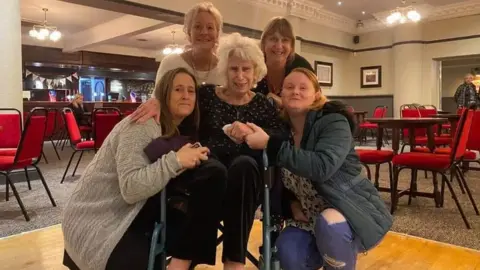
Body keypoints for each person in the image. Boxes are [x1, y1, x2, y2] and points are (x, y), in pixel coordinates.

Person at [129, 32, 286, 270]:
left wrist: (253, 133)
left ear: (256, 72)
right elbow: (178, 116)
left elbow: (280, 137)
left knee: (244, 164)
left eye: (246, 69)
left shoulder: (263, 105)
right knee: (213, 169)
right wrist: (157, 102)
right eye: (234, 69)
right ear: (225, 69)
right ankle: (183, 259)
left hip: (245, 186)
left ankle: (234, 261)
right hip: (204, 176)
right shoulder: (206, 96)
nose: (240, 76)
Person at [61, 68, 227, 270]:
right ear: (164, 94)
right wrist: (176, 161)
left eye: (191, 91)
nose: (185, 95)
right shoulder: (143, 123)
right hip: (97, 218)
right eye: (178, 89)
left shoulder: (178, 130)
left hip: (132, 214)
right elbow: (131, 189)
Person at [244, 68, 393, 270]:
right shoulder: (281, 130)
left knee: (329, 225)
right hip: (307, 219)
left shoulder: (333, 122)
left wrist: (271, 145)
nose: (295, 91)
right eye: (289, 87)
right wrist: (290, 204)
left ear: (316, 94)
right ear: (281, 94)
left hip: (347, 212)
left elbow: (322, 167)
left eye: (303, 87)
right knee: (287, 250)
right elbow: (276, 179)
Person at [155, 2, 223, 87]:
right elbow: (157, 99)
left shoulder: (224, 69)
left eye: (210, 28)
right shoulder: (170, 63)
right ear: (189, 32)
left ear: (217, 34)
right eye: (197, 27)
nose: (204, 32)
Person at [255, 17, 314, 108]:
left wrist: (284, 104)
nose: (279, 46)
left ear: (291, 46)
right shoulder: (253, 65)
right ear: (264, 43)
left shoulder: (302, 67)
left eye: (285, 40)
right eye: (273, 39)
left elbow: (316, 103)